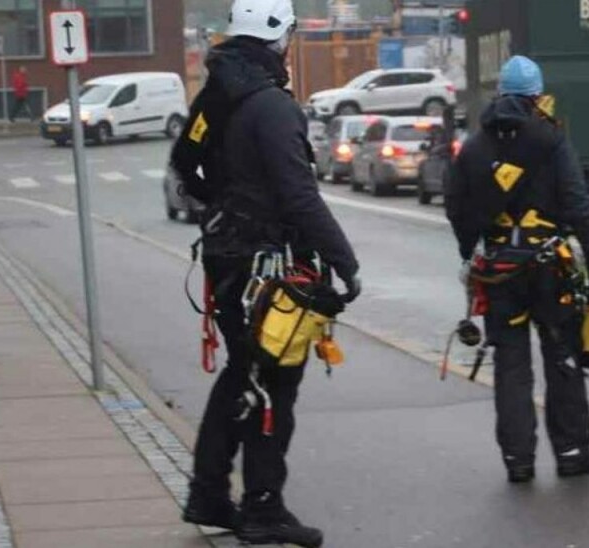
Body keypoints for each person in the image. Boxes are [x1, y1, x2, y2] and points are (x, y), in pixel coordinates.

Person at [170, 1, 360, 546]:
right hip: (266, 265)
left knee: (243, 373)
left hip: (229, 257)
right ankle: (262, 506)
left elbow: (185, 162)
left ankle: (209, 493)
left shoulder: (218, 95)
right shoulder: (271, 105)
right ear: (279, 37)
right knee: (274, 383)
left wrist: (221, 206)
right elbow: (299, 195)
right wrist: (345, 262)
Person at [445, 56, 589, 483]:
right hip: (549, 269)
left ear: (500, 94)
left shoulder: (475, 146)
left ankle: (519, 461)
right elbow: (577, 204)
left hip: (500, 272)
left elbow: (457, 207)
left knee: (511, 367)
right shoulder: (550, 140)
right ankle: (572, 452)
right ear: (537, 97)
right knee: (562, 359)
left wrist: (470, 253)